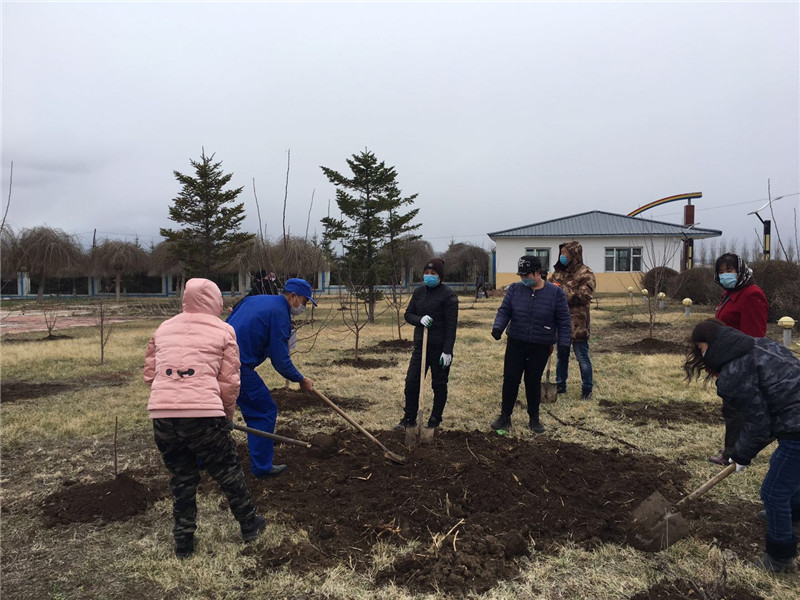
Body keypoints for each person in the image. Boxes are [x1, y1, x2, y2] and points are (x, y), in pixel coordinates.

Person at [144, 278, 266, 559]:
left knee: (182, 476)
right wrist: (226, 416)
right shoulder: (223, 331)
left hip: (162, 416)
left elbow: (150, 373)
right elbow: (230, 383)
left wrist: (168, 396)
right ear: (215, 301)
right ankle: (250, 524)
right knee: (228, 470)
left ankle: (183, 541)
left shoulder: (164, 328)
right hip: (203, 415)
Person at [685, 319, 800, 573]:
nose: (702, 356)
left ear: (712, 345)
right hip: (793, 420)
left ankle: (780, 558)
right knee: (789, 474)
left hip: (796, 427)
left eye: (701, 349)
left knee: (774, 492)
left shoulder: (733, 372)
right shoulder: (762, 345)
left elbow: (758, 422)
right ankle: (794, 518)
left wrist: (740, 456)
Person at [226, 278, 316, 478]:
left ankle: (200, 461)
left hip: (215, 361)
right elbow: (280, 360)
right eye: (304, 301)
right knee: (263, 411)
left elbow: (228, 323)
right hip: (237, 366)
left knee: (212, 412)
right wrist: (301, 379)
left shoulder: (255, 299)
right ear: (293, 296)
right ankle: (262, 468)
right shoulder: (280, 314)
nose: (304, 307)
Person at [490, 255, 571, 432]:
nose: (523, 278)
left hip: (540, 346)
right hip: (516, 343)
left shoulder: (555, 293)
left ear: (537, 272)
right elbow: (505, 310)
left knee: (533, 381)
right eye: (521, 275)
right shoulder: (515, 289)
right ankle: (505, 417)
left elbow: (564, 320)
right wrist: (498, 327)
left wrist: (564, 343)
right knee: (510, 380)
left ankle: (534, 419)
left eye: (526, 275)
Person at [708, 253, 769, 465]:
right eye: (721, 272)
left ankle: (733, 454)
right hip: (727, 360)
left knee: (736, 410)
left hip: (740, 362)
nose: (725, 275)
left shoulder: (752, 294)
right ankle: (733, 448)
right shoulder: (729, 293)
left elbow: (754, 335)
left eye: (729, 270)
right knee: (731, 408)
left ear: (740, 271)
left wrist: (741, 364)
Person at [394, 258, 459, 430]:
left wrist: (447, 351)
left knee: (439, 384)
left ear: (440, 276)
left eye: (433, 273)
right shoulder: (419, 292)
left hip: (439, 349)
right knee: (412, 382)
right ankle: (409, 418)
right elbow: (408, 314)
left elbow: (451, 326)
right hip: (420, 346)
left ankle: (435, 420)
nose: (429, 276)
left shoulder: (449, 295)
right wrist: (420, 319)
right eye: (427, 273)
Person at [549, 241, 596, 400]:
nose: (562, 256)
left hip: (578, 323)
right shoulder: (559, 272)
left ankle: (587, 388)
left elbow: (584, 296)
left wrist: (561, 289)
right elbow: (549, 287)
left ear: (575, 255)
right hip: (561, 322)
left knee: (582, 356)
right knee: (561, 355)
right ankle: (560, 384)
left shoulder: (586, 273)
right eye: (561, 253)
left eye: (566, 253)